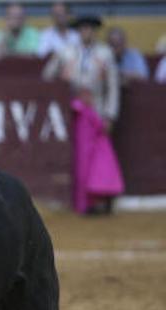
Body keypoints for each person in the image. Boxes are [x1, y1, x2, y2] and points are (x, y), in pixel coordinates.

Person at [43, 15, 123, 215]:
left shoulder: (105, 54)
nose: (86, 32)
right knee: (80, 159)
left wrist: (110, 115)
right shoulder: (66, 52)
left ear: (94, 31)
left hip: (97, 112)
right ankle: (83, 202)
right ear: (78, 32)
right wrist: (62, 78)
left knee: (99, 158)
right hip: (74, 112)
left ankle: (100, 200)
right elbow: (47, 76)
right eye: (83, 29)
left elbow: (113, 87)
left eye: (90, 29)